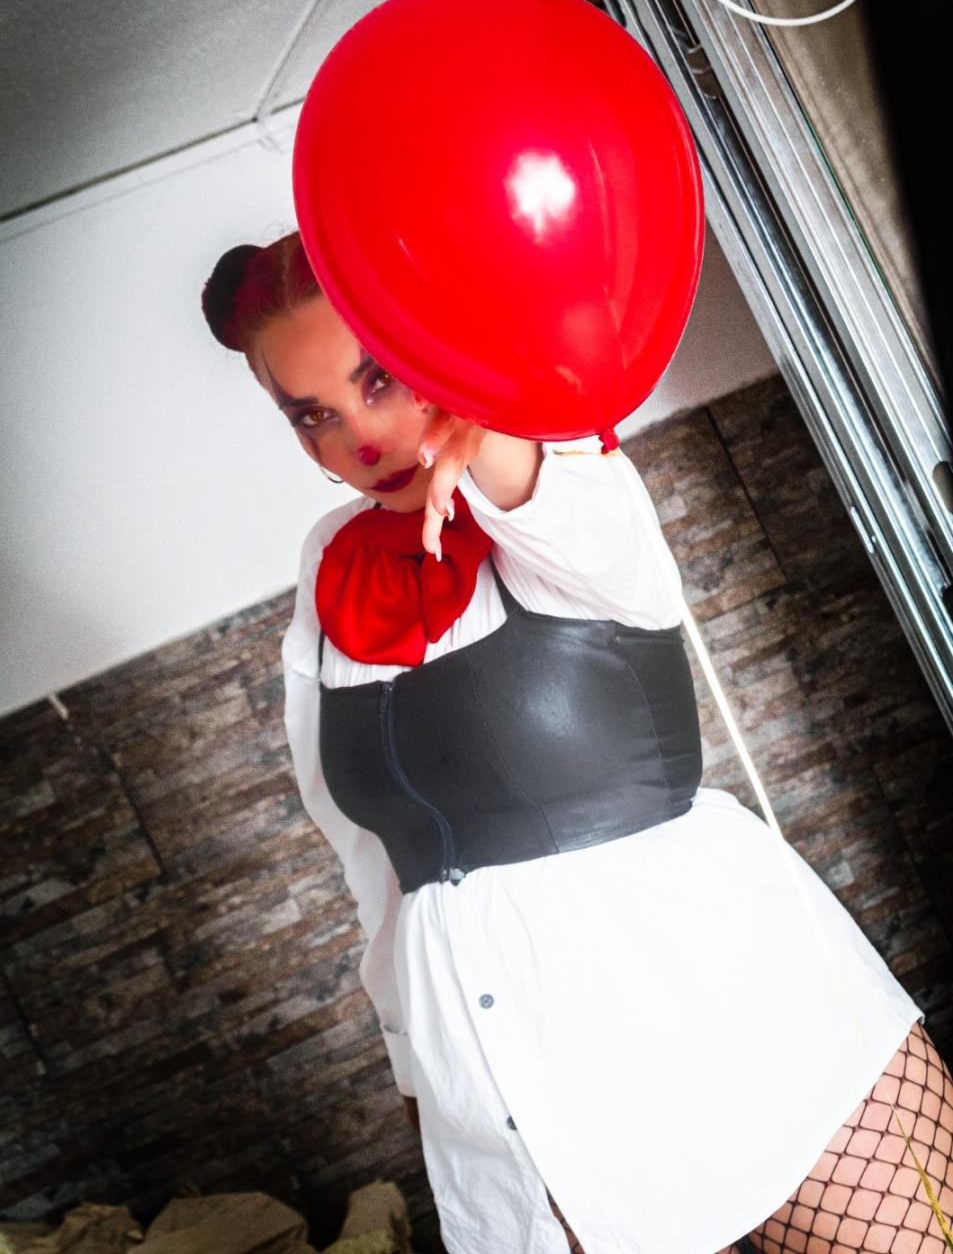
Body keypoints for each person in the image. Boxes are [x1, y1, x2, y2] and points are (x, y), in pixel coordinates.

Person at [202, 231, 953, 1254]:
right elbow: (368, 860)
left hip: (742, 1025)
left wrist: (491, 427)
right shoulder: (327, 565)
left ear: (431, 345)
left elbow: (563, 510)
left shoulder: (560, 480)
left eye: (379, 379)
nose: (360, 438)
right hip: (521, 1106)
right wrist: (419, 1072)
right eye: (312, 415)